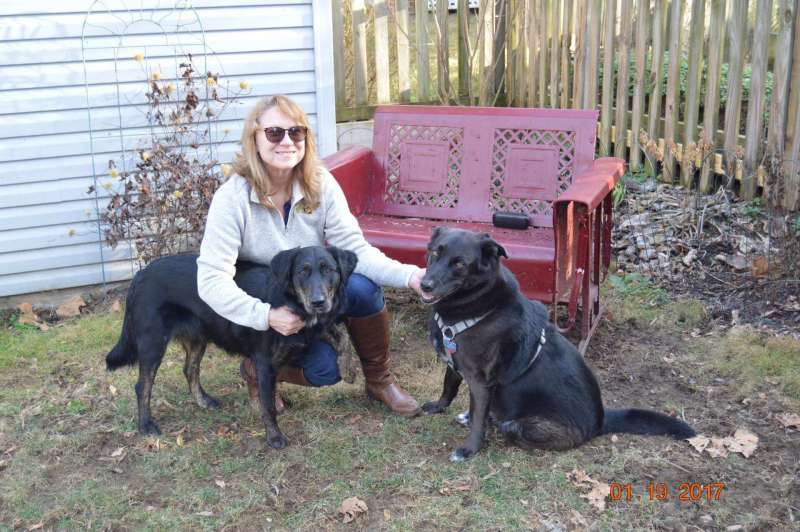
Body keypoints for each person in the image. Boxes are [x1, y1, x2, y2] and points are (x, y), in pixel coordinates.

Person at [196, 94, 424, 417]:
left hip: (308, 289)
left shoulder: (319, 184)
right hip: (261, 297)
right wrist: (266, 315)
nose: (287, 141)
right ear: (254, 139)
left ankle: (379, 380)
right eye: (275, 133)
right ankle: (259, 369)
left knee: (359, 295)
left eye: (297, 132)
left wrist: (410, 275)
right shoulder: (232, 197)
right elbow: (210, 280)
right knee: (320, 368)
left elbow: (354, 250)